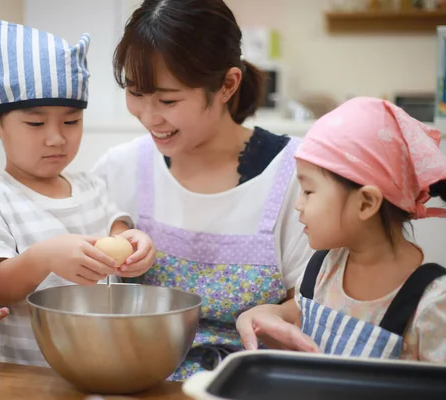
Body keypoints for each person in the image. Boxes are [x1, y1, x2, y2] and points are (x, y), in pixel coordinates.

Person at [91, 0, 312, 380]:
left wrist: (277, 314)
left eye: (168, 100)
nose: (148, 117)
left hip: (250, 386)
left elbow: (318, 305)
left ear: (227, 84)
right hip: (137, 382)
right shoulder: (120, 169)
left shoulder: (296, 176)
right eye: (135, 93)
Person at [0, 12, 156, 366]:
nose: (57, 138)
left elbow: (119, 231)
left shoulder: (89, 186)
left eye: (71, 121)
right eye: (36, 123)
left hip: (100, 359)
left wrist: (136, 243)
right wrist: (45, 256)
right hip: (29, 370)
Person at [237, 97, 446, 363]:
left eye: (308, 191)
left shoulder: (436, 302)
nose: (298, 205)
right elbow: (296, 313)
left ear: (366, 203)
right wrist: (260, 315)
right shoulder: (323, 268)